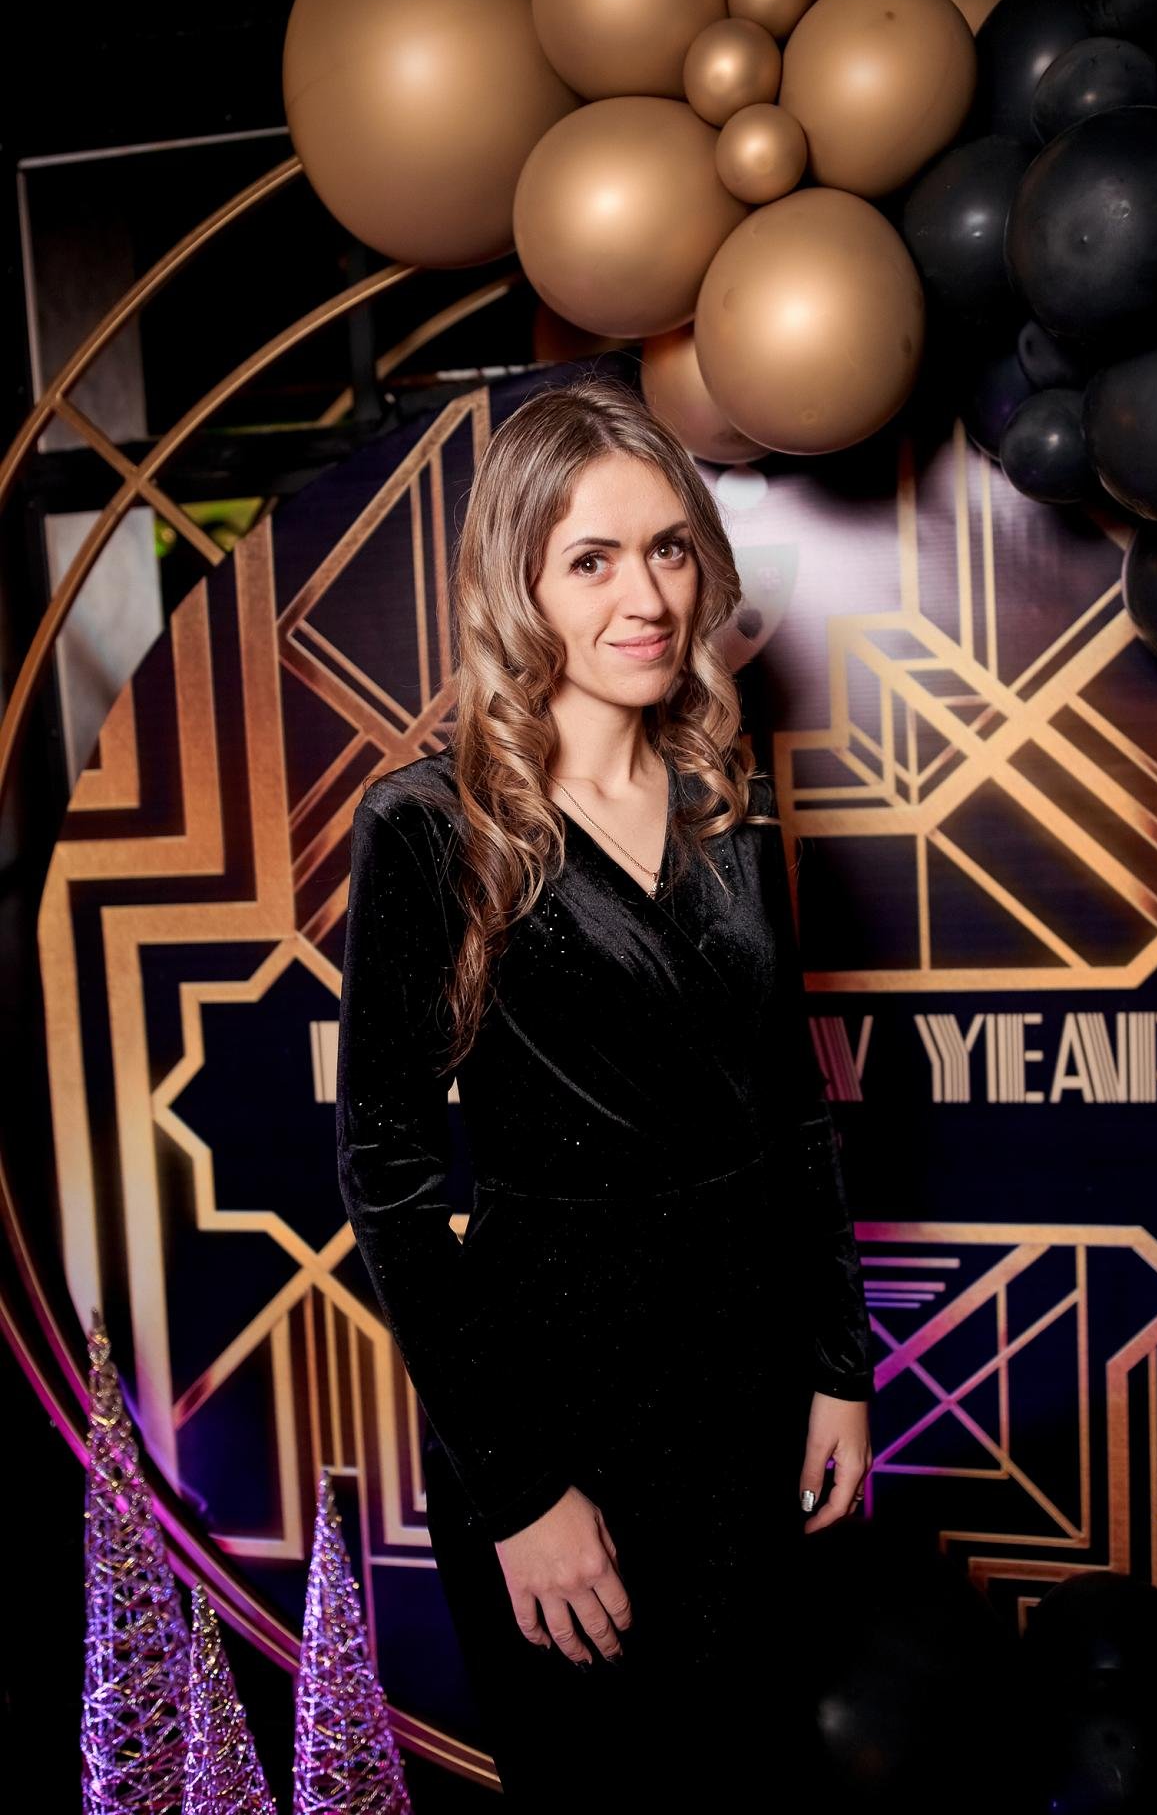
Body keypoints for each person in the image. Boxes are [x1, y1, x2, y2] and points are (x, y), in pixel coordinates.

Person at [335, 375, 876, 1802]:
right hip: (553, 1407)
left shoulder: (727, 809)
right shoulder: (428, 826)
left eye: (669, 548)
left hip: (749, 1392)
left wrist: (837, 1367)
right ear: (517, 585)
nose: (646, 597)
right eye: (591, 559)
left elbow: (792, 1114)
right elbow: (387, 1176)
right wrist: (517, 1489)